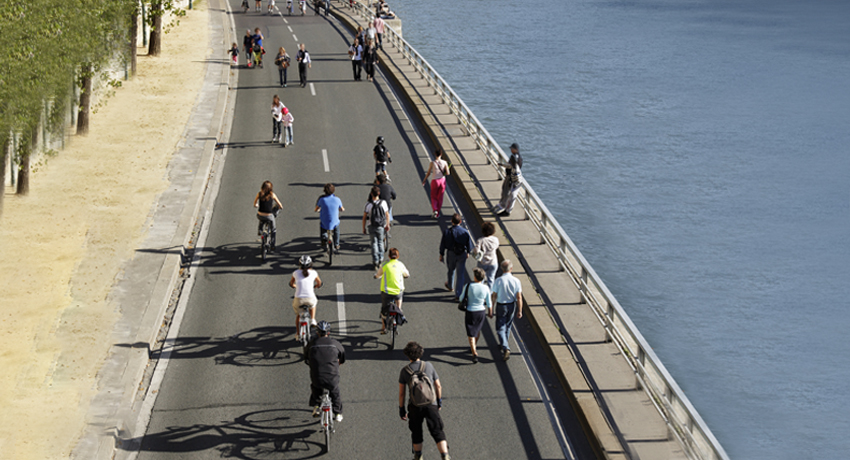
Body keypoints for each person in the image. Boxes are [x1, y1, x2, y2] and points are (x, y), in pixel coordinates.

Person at [398, 341, 451, 460]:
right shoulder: (429, 366)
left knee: (416, 431)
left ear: (407, 355)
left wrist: (401, 409)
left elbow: (402, 393)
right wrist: (438, 401)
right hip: (431, 403)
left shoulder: (405, 371)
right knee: (437, 431)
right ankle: (445, 456)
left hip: (415, 406)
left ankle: (418, 456)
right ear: (420, 353)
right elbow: (438, 386)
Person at [306, 320, 345, 422]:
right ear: (329, 332)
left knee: (315, 387)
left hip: (317, 377)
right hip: (332, 377)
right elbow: (342, 357)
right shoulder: (335, 344)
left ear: (317, 333)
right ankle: (337, 413)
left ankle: (316, 406)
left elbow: (306, 358)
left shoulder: (311, 344)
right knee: (335, 391)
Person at [491, 259, 523, 361]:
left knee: (500, 327)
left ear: (501, 269)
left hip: (501, 305)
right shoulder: (516, 281)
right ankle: (504, 342)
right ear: (511, 268)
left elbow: (494, 295)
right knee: (508, 325)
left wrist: (491, 308)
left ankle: (505, 347)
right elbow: (519, 297)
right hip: (511, 305)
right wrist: (520, 310)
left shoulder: (498, 280)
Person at [459, 267, 492, 363]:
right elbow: (489, 302)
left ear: (475, 277)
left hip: (470, 311)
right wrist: (490, 312)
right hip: (481, 312)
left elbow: (461, 298)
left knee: (470, 332)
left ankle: (474, 352)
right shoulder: (486, 288)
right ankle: (474, 346)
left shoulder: (468, 286)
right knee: (477, 330)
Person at [375, 247, 409, 334]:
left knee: (384, 310)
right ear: (398, 256)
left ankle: (383, 327)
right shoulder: (401, 265)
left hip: (386, 292)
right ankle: (396, 324)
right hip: (398, 291)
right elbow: (407, 274)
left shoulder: (385, 265)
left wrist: (376, 276)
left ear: (389, 256)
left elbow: (378, 274)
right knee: (398, 308)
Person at [439, 213, 473, 299]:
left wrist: (441, 254)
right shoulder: (465, 232)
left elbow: (443, 244)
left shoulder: (447, 232)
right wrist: (468, 252)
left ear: (451, 221)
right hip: (462, 254)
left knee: (451, 270)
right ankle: (458, 294)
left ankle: (450, 285)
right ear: (460, 221)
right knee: (460, 274)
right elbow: (469, 244)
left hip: (451, 253)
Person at [289, 255, 323, 326]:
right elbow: (319, 283)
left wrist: (296, 286)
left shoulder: (295, 273)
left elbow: (291, 284)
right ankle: (313, 319)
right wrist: (315, 286)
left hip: (298, 299)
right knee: (313, 304)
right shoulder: (314, 273)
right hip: (310, 298)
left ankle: (298, 335)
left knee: (298, 315)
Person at [362, 186, 390, 269]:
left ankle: (375, 260)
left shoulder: (368, 204)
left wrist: (363, 228)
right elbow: (387, 215)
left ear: (371, 194)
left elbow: (364, 217)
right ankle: (381, 258)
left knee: (373, 243)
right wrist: (387, 224)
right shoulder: (383, 203)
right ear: (379, 193)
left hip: (371, 225)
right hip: (381, 225)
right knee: (380, 242)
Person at [253, 181, 284, 251]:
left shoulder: (259, 194)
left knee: (262, 218)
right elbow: (280, 205)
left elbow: (255, 204)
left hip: (260, 214)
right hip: (269, 216)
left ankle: (260, 230)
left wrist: (257, 205)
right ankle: (272, 245)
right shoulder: (272, 195)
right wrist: (280, 208)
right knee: (273, 230)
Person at [494, 143, 523, 216]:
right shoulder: (514, 162)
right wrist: (501, 164)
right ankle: (504, 206)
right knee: (506, 191)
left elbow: (517, 178)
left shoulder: (516, 167)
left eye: (512, 149)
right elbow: (509, 166)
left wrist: (512, 183)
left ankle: (506, 210)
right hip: (512, 180)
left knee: (511, 195)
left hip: (514, 181)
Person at [315, 183, 344, 252]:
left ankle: (324, 239)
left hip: (325, 221)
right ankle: (337, 244)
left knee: (322, 227)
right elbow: (342, 209)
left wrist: (318, 210)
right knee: (337, 229)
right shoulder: (337, 199)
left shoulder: (322, 200)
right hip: (334, 222)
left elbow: (316, 208)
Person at [421, 147, 449, 218]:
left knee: (433, 196)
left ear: (435, 154)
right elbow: (448, 173)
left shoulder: (432, 163)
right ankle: (438, 213)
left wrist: (424, 180)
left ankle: (435, 209)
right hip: (442, 181)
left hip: (435, 181)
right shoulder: (445, 162)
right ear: (441, 154)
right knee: (440, 197)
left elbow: (428, 173)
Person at [473, 221, 499, 288]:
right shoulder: (495, 239)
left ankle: (480, 292)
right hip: (493, 262)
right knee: (491, 279)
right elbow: (496, 246)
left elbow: (476, 251)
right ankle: (489, 295)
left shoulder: (481, 240)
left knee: (480, 279)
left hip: (483, 262)